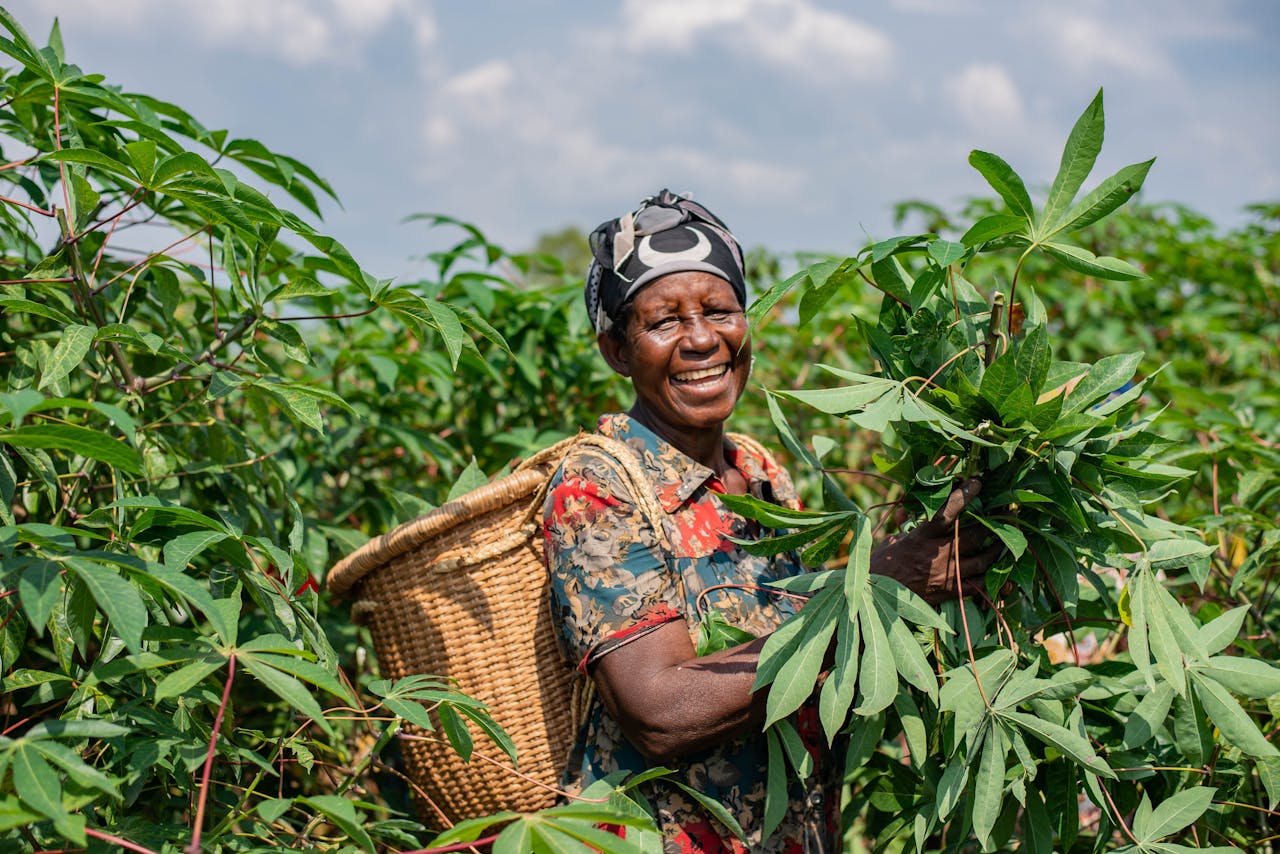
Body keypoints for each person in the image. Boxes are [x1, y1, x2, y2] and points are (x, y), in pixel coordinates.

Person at [541, 190, 997, 852]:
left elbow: (802, 643)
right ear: (616, 351)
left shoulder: (759, 468)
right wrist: (867, 595)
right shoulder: (599, 483)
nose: (702, 339)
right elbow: (660, 711)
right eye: (664, 322)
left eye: (720, 311)